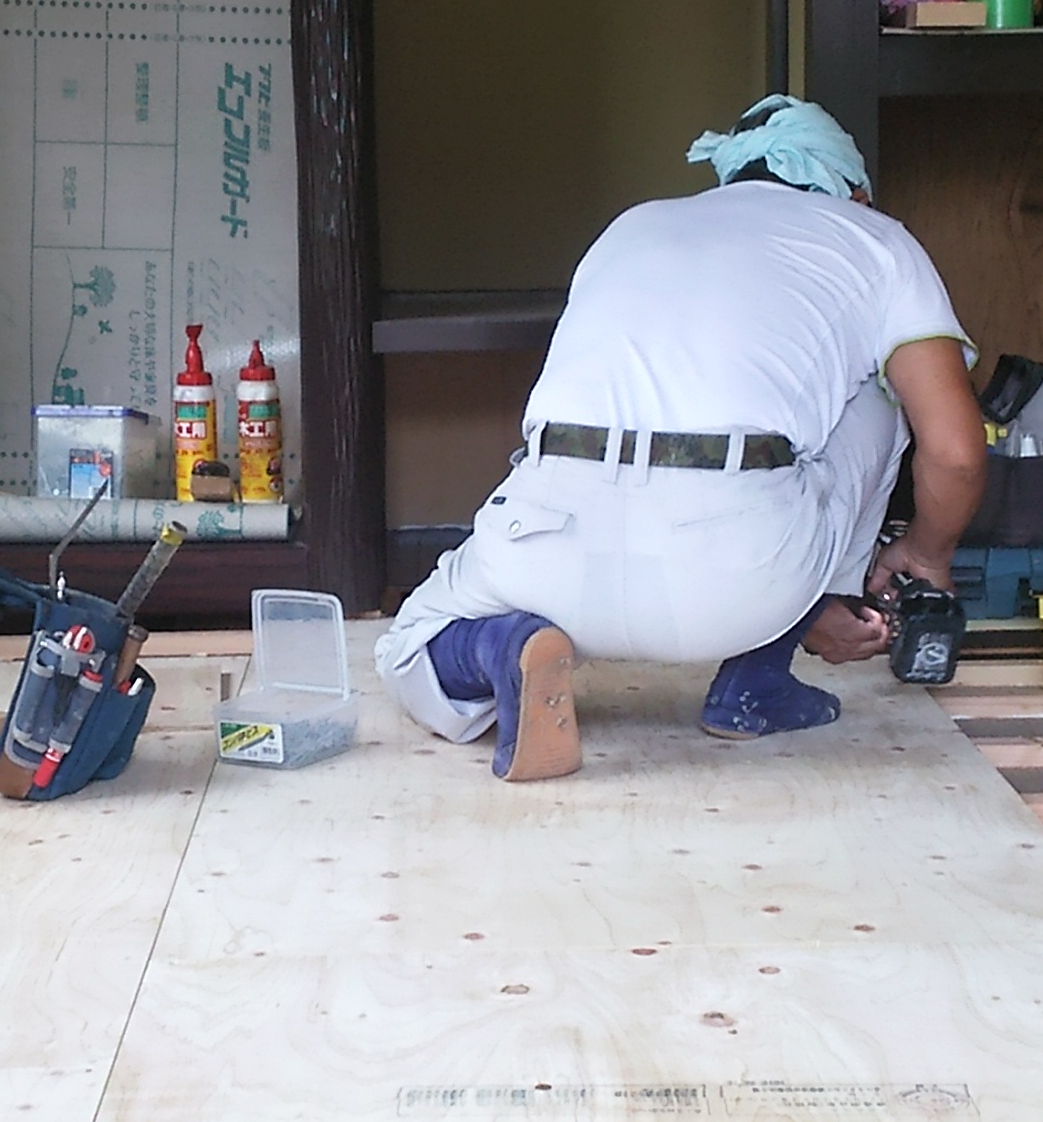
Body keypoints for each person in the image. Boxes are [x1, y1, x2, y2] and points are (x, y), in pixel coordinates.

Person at [374, 95, 986, 780]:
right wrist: (925, 555)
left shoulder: (633, 226)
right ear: (856, 193)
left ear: (730, 178)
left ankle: (500, 648)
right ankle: (759, 676)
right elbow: (955, 452)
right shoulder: (876, 239)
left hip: (546, 557)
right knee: (885, 391)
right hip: (740, 578)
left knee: (406, 649)